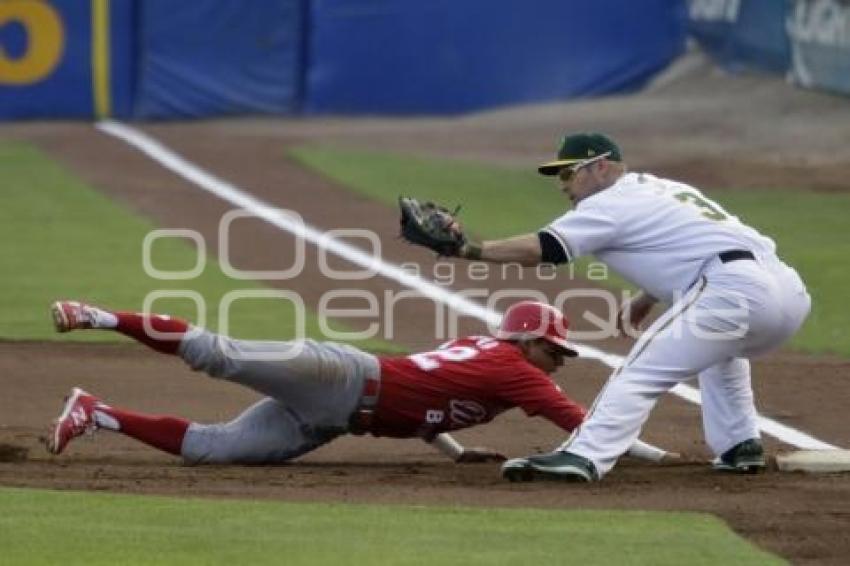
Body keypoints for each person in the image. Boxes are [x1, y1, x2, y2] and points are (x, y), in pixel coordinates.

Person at [411, 132, 810, 482]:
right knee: (722, 351)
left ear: (600, 167)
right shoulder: (657, 187)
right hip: (785, 291)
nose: (562, 184)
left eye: (568, 172)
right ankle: (740, 445)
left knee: (639, 372)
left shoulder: (606, 204)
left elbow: (544, 249)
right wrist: (648, 295)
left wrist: (466, 249)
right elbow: (692, 241)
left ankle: (585, 456)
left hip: (732, 288)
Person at [46, 299, 672, 466]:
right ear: (526, 342)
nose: (558, 360)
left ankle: (94, 413)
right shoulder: (514, 370)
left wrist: (454, 449)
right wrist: (661, 458)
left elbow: (423, 401)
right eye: (553, 349)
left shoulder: (494, 361)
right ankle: (95, 315)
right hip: (340, 377)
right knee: (218, 354)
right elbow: (589, 430)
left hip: (338, 413)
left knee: (215, 450)